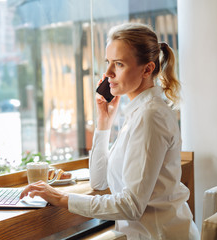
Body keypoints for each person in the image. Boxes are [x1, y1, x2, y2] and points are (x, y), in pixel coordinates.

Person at [20, 22, 199, 240]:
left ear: (147, 69)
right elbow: (99, 181)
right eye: (107, 62)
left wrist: (61, 198)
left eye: (119, 64)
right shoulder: (138, 112)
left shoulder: (150, 116)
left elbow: (131, 206)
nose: (107, 73)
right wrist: (104, 123)